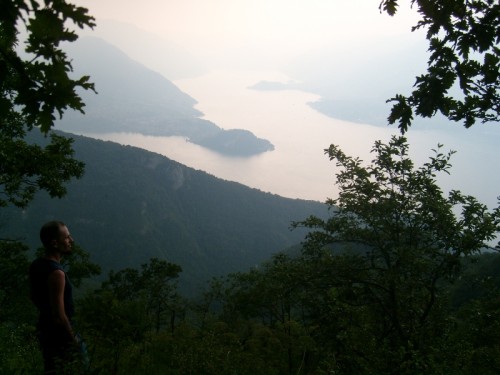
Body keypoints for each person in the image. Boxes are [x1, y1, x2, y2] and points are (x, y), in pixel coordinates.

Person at [29, 221, 87, 374]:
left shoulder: (37, 264)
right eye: (67, 237)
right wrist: (73, 340)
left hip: (45, 331)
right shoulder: (57, 273)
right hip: (60, 336)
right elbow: (59, 316)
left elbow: (33, 296)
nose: (71, 240)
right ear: (55, 243)